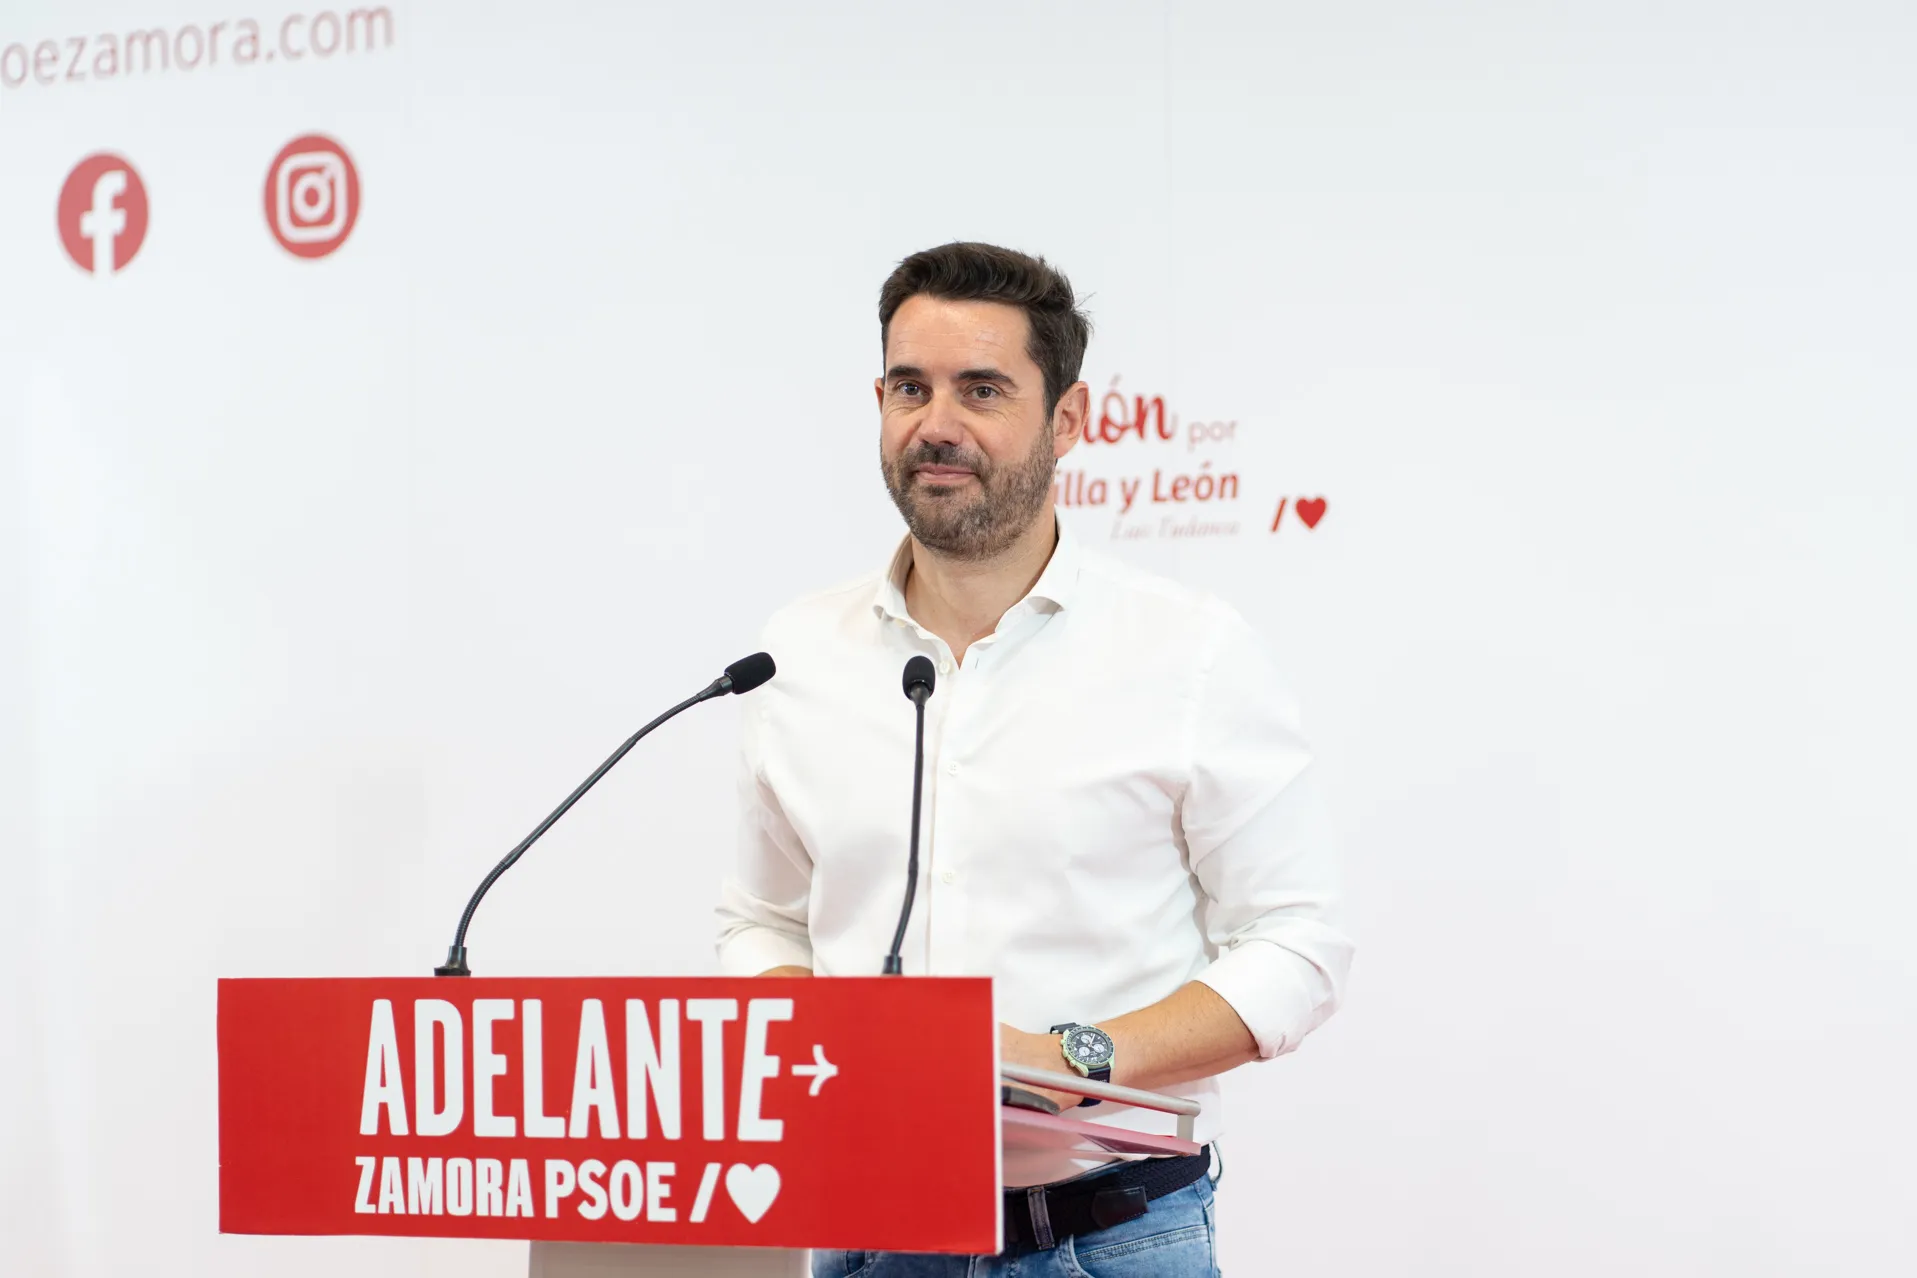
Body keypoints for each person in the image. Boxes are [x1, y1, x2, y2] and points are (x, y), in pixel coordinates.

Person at [716, 242, 1353, 1277]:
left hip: (1108, 1240)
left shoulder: (1188, 650)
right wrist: (817, 1037)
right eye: (910, 388)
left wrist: (1075, 1059)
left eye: (982, 390)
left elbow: (1301, 945)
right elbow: (759, 921)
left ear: (1068, 420)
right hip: (866, 1233)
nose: (937, 425)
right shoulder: (795, 655)